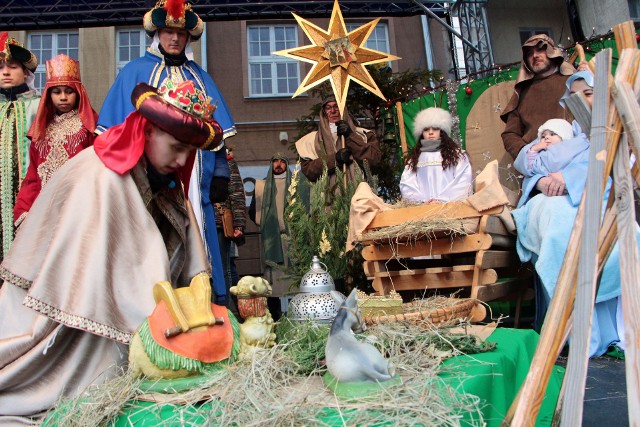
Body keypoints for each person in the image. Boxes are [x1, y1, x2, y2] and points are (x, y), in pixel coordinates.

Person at [0, 79, 223, 424]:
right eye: (177, 146)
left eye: (190, 152)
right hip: (53, 313)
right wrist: (163, 322)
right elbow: (125, 267)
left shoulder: (156, 170)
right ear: (148, 130)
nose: (182, 159)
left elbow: (180, 242)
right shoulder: (102, 177)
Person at [97, 0, 236, 304]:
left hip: (195, 174)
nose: (174, 39)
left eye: (181, 34)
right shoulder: (134, 71)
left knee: (197, 227)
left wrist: (221, 174)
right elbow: (114, 131)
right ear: (157, 33)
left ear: (188, 38)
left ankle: (203, 296)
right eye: (168, 32)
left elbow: (218, 134)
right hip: (151, 174)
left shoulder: (201, 76)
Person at [511, 70, 635, 357]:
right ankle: (565, 325)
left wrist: (570, 180)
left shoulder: (614, 131)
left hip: (598, 200)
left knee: (604, 235)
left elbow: (616, 170)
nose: (582, 100)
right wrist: (541, 182)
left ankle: (605, 328)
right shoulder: (565, 136)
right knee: (556, 227)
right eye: (576, 96)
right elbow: (534, 168)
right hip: (556, 201)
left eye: (589, 93)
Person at [13, 54, 97, 227]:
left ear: (78, 93)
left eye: (69, 91)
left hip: (80, 207)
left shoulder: (89, 127)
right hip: (45, 210)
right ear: (48, 95)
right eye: (57, 92)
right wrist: (23, 210)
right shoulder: (41, 131)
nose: (63, 97)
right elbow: (33, 176)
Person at [500, 34, 575, 160]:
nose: (535, 55)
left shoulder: (572, 81)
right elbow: (510, 134)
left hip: (573, 158)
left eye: (540, 49)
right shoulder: (522, 93)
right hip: (537, 166)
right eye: (529, 53)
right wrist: (529, 154)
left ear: (552, 52)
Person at [0, 33, 40, 259]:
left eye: (12, 66)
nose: (5, 72)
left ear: (26, 72)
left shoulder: (39, 106)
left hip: (28, 199)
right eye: (1, 67)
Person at [295, 95, 381, 183]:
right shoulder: (311, 141)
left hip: (358, 191)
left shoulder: (364, 135)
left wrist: (350, 136)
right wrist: (335, 160)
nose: (333, 111)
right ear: (324, 112)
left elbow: (373, 160)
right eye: (328, 108)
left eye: (336, 107)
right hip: (326, 194)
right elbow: (309, 171)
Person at [400, 107, 473, 203]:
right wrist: (422, 202)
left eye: (435, 128)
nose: (430, 132)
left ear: (442, 131)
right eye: (426, 129)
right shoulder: (414, 160)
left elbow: (463, 181)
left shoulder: (457, 155)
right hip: (422, 212)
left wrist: (441, 200)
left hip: (452, 209)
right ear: (422, 133)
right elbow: (407, 184)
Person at [513, 118, 589, 208]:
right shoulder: (541, 153)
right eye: (543, 136)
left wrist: (568, 178)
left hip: (571, 194)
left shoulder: (576, 147)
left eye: (552, 134)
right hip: (545, 194)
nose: (547, 137)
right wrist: (533, 149)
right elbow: (529, 167)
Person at [248, 153, 291, 297]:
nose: (278, 164)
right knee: (273, 276)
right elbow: (253, 211)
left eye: (282, 161)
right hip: (271, 238)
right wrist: (268, 226)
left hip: (292, 238)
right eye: (275, 161)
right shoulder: (262, 186)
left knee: (292, 276)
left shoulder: (295, 184)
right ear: (270, 164)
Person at [215, 147, 246, 312]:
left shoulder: (226, 160)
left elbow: (236, 192)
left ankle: (225, 311)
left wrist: (239, 223)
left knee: (224, 268)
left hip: (220, 221)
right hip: (200, 221)